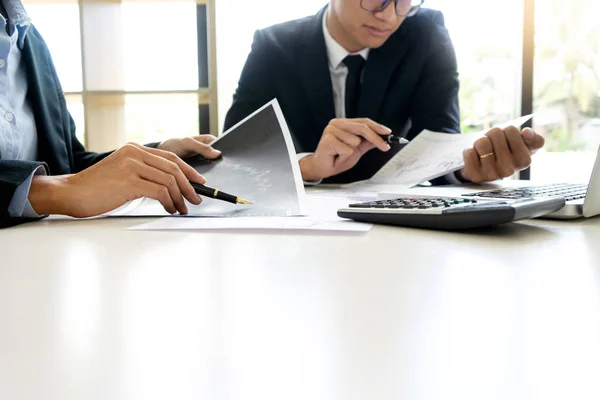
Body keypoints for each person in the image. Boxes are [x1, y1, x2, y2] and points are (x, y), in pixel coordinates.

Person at [224, 0, 544, 185]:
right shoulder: (273, 47)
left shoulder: (425, 34)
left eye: (404, 0)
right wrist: (308, 166)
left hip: (395, 227)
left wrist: (464, 169)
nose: (390, 16)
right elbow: (234, 156)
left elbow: (437, 137)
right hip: (297, 233)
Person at [0, 0, 221, 228]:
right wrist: (59, 191)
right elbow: (68, 186)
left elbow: (67, 166)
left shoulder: (29, 38)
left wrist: (155, 158)